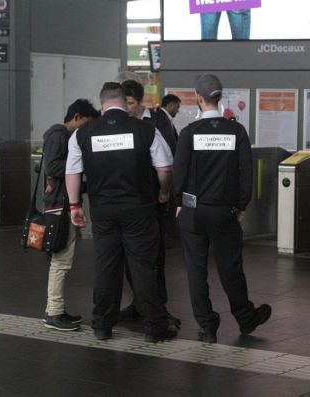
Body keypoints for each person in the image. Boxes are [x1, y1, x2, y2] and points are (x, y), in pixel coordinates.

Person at [65, 82, 177, 343]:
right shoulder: (146, 129)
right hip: (139, 209)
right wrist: (163, 193)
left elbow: (72, 172)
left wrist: (75, 205)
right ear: (125, 101)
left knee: (106, 267)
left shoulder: (83, 134)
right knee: (143, 267)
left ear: (102, 103)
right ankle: (154, 328)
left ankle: (102, 325)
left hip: (103, 210)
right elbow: (165, 168)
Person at [174, 74, 271, 343]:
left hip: (193, 212)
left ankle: (207, 325)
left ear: (198, 98)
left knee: (196, 270)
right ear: (220, 97)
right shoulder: (236, 131)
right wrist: (241, 204)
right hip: (224, 212)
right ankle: (245, 317)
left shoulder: (188, 133)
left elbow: (179, 174)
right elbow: (246, 172)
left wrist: (177, 204)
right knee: (230, 267)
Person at [117, 80, 181, 331]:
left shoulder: (157, 121)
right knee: (131, 257)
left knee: (154, 256)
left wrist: (166, 194)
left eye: (130, 103)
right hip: (133, 199)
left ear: (139, 101)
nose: (127, 107)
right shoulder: (123, 124)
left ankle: (157, 304)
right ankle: (140, 302)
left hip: (155, 200)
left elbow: (169, 156)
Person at [42, 99, 100, 331]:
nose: (86, 129)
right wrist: (80, 164)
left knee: (61, 259)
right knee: (61, 260)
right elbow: (53, 167)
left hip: (61, 203)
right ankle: (53, 312)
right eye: (85, 123)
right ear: (76, 117)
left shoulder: (62, 136)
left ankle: (56, 309)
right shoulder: (58, 135)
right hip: (59, 206)